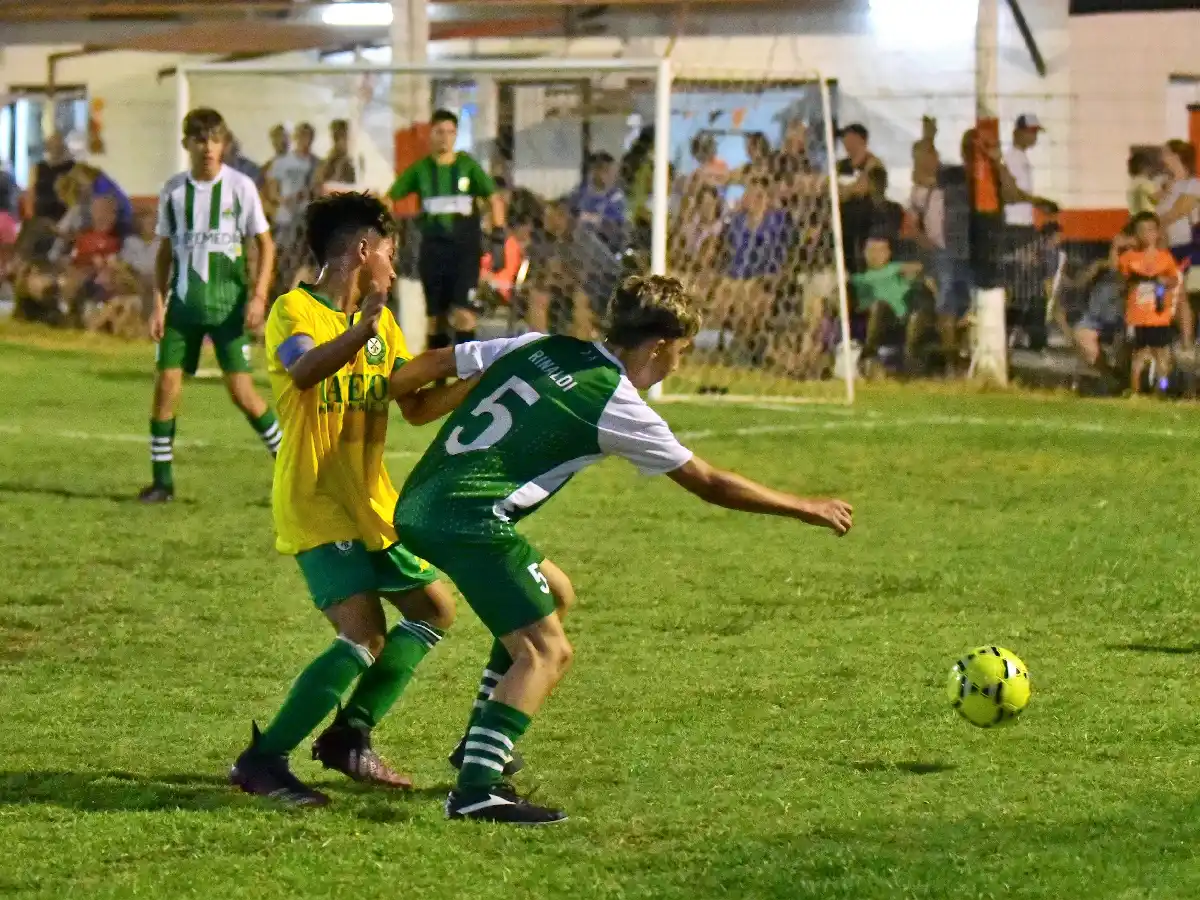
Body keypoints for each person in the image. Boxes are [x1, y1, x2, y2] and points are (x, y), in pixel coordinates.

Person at [388, 274, 854, 824]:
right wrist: (806, 506)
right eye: (678, 352)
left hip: (419, 500)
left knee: (555, 594)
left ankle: (480, 742)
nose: (677, 366)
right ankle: (475, 791)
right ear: (657, 346)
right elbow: (708, 481)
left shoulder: (538, 344)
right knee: (548, 652)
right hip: (468, 519)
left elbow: (418, 372)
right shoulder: (615, 401)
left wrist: (405, 401)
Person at [230, 192, 469, 806]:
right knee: (364, 636)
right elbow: (305, 369)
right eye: (390, 250)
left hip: (369, 502)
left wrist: (475, 381)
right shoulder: (294, 310)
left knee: (433, 610)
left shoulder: (381, 325)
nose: (394, 261)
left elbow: (412, 403)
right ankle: (263, 760)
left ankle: (349, 736)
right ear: (364, 251)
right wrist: (366, 322)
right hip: (316, 500)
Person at [139, 108, 280, 503]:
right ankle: (162, 483)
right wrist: (158, 304)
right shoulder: (173, 191)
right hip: (182, 308)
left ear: (225, 144)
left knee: (242, 393)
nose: (208, 148)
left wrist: (257, 296)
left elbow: (266, 245)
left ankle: (292, 468)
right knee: (166, 387)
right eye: (200, 140)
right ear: (186, 144)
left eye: (215, 139)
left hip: (228, 309)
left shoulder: (241, 187)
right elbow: (165, 252)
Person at [387, 108, 506, 350]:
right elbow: (390, 198)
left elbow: (494, 199)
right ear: (430, 135)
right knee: (435, 319)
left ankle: (467, 377)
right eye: (439, 131)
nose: (445, 137)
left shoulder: (467, 166)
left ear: (456, 135)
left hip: (465, 252)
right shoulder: (420, 170)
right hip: (433, 250)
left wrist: (498, 238)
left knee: (464, 314)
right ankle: (435, 379)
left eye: (450, 132)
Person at [1116, 211, 1181, 394]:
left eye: (1151, 230)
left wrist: (1162, 281)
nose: (1147, 234)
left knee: (1162, 353)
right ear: (1136, 234)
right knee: (1139, 353)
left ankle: (1162, 389)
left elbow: (1174, 280)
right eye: (1142, 231)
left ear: (1157, 233)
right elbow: (1122, 282)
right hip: (1138, 316)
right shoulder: (1129, 258)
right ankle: (1135, 390)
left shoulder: (1165, 257)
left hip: (1159, 316)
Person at [850, 234, 925, 373]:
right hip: (875, 318)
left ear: (889, 253)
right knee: (879, 305)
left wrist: (902, 270)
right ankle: (869, 354)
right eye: (871, 250)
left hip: (901, 317)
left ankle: (911, 359)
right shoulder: (859, 279)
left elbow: (918, 267)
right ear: (864, 253)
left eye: (880, 250)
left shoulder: (895, 268)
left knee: (921, 302)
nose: (875, 255)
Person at [1156, 139, 1200, 351]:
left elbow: (1178, 212)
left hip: (1182, 245)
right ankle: (1177, 337)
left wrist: (1154, 225)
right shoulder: (1166, 184)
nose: (1162, 157)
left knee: (1180, 295)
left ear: (1176, 156)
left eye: (1165, 153)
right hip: (1164, 246)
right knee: (1165, 293)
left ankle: (1187, 342)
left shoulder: (1192, 184)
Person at [32, 133, 74, 222]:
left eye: (58, 146)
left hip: (64, 218)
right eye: (52, 146)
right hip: (41, 217)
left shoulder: (72, 167)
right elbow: (31, 194)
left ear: (64, 147)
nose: (55, 149)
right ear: (47, 148)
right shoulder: (38, 168)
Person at [314, 119, 357, 195]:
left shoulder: (349, 163)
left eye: (345, 137)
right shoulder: (326, 163)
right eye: (339, 137)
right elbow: (320, 188)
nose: (344, 141)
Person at [1127, 149, 1160, 216]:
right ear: (1144, 167)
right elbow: (1156, 199)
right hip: (1146, 218)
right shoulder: (1145, 183)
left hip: (1134, 218)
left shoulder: (1133, 182)